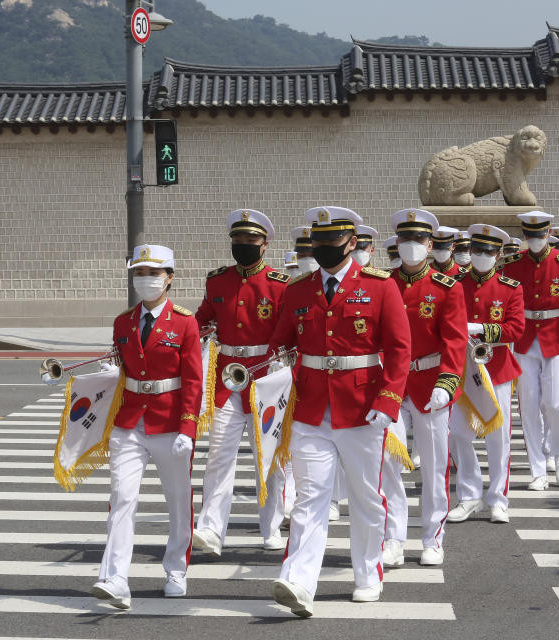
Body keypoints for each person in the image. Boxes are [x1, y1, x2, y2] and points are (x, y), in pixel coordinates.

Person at [268, 206, 411, 616]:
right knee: (311, 497)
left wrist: (388, 401)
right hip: (311, 408)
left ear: (351, 243)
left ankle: (368, 573)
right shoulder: (298, 290)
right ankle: (299, 581)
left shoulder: (381, 287)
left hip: (363, 407)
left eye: (332, 244)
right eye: (319, 244)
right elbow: (281, 342)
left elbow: (400, 350)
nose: (324, 250)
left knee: (366, 496)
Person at [92, 244, 202, 607]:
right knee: (122, 497)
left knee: (177, 499)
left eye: (153, 274)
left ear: (169, 278)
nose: (145, 280)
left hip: (170, 421)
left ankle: (176, 568)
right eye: (139, 273)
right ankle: (115, 577)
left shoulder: (185, 322)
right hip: (130, 421)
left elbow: (193, 380)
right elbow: (120, 362)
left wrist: (188, 428)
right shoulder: (123, 321)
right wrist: (110, 375)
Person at [193, 209, 290, 555]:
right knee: (219, 453)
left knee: (268, 454)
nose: (243, 245)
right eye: (238, 240)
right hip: (227, 377)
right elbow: (202, 319)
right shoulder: (218, 281)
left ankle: (272, 525)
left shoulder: (279, 284)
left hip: (266, 376)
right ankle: (210, 529)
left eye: (251, 240)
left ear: (265, 244)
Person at [386, 208, 468, 566]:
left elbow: (455, 340)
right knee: (387, 460)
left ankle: (433, 537)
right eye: (405, 240)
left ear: (430, 244)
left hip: (429, 381)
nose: (411, 246)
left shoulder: (446, 288)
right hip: (389, 384)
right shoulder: (382, 284)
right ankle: (392, 537)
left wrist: (448, 382)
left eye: (418, 240)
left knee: (434, 465)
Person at [502, 212, 559, 491]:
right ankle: (538, 469)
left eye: (539, 235)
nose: (533, 240)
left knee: (555, 403)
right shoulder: (512, 264)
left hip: (557, 337)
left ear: (549, 233)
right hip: (524, 338)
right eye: (528, 235)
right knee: (529, 406)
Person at [447, 224, 525, 524]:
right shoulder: (455, 283)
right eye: (476, 250)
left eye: (488, 251)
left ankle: (497, 499)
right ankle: (469, 496)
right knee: (459, 434)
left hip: (498, 371)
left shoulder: (510, 288)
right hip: (462, 369)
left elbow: (517, 328)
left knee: (498, 437)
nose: (481, 256)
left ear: (498, 255)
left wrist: (480, 329)